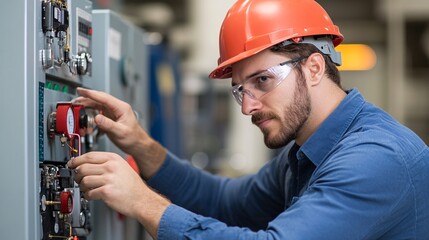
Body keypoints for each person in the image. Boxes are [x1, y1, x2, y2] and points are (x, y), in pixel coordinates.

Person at [68, 0, 429, 239]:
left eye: (262, 80)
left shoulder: (375, 158)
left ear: (315, 67)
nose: (247, 107)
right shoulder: (305, 152)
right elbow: (227, 201)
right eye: (241, 89)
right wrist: (140, 145)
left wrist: (142, 202)